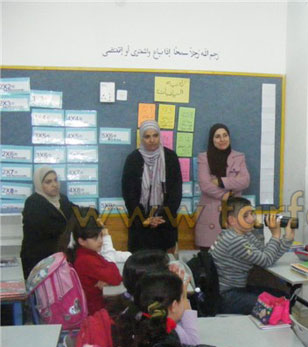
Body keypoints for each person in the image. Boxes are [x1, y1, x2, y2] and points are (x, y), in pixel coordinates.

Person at [211, 196, 294, 315]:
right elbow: (266, 260)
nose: (252, 218)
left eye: (252, 213)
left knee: (284, 297)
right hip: (228, 296)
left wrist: (287, 240)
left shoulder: (245, 234)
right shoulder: (234, 239)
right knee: (279, 305)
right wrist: (275, 235)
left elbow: (266, 255)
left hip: (237, 289)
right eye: (245, 216)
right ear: (232, 220)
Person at [114, 249, 200, 346]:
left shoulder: (133, 305)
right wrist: (181, 294)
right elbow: (193, 342)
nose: (173, 271)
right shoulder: (159, 319)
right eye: (168, 271)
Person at [122, 120, 182, 253]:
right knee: (141, 261)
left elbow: (176, 192)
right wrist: (144, 219)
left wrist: (162, 217)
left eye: (155, 135)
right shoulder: (133, 159)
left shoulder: (170, 157)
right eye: (147, 136)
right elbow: (129, 194)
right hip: (140, 223)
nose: (152, 140)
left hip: (165, 223)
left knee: (165, 262)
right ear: (141, 138)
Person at [195, 123, 250, 250]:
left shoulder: (239, 157)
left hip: (233, 212)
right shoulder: (204, 158)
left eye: (225, 135)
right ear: (212, 140)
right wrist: (227, 194)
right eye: (217, 136)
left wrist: (221, 181)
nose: (222, 139)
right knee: (209, 254)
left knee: (235, 251)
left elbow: (245, 181)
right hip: (210, 214)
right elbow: (205, 185)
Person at [20, 166, 75, 278]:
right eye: (48, 182)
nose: (54, 185)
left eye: (55, 180)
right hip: (39, 262)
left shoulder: (62, 199)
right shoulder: (33, 203)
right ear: (39, 184)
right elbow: (49, 228)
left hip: (58, 259)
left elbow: (77, 212)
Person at [67, 208, 122, 315]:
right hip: (95, 311)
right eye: (95, 238)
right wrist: (108, 275)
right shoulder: (87, 259)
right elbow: (116, 278)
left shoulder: (85, 252)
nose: (101, 241)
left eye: (101, 235)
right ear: (81, 241)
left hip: (95, 305)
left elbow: (109, 268)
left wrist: (106, 278)